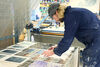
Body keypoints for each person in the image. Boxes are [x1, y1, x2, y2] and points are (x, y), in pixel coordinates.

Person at [42, 3, 100, 67]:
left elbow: (67, 39)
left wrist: (53, 52)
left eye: (53, 17)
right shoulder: (71, 13)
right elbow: (69, 35)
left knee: (90, 59)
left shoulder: (70, 16)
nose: (54, 20)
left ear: (56, 12)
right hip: (95, 41)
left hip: (97, 41)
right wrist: (58, 46)